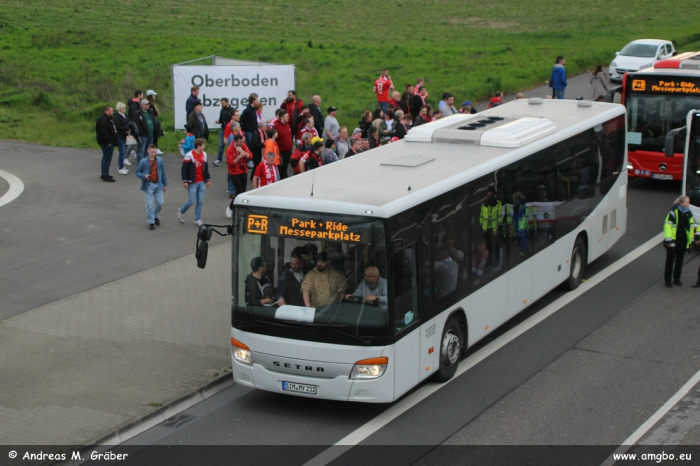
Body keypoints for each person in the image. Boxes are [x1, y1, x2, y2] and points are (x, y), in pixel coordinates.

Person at [663, 196, 697, 287]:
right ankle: (668, 280)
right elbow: (667, 226)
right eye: (687, 202)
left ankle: (677, 279)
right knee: (670, 261)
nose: (688, 204)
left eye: (688, 202)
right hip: (673, 240)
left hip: (683, 240)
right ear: (681, 203)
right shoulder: (673, 212)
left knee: (679, 260)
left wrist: (691, 241)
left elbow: (691, 227)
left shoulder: (688, 213)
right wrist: (669, 240)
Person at [178, 138, 211, 227]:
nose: (204, 146)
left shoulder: (204, 154)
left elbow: (206, 168)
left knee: (200, 201)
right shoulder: (189, 155)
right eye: (203, 145)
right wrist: (185, 180)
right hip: (192, 181)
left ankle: (197, 219)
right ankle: (181, 211)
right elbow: (184, 169)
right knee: (191, 200)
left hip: (201, 181)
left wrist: (208, 179)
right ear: (198, 146)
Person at [136, 144, 168, 230]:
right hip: (149, 184)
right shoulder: (143, 161)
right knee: (149, 205)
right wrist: (144, 176)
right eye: (151, 152)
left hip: (158, 184)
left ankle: (154, 215)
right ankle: (151, 221)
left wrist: (165, 184)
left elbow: (163, 173)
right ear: (148, 151)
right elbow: (137, 172)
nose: (153, 154)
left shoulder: (160, 161)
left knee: (160, 203)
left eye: (154, 152)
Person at [96, 105, 118, 182]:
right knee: (107, 158)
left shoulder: (106, 119)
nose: (112, 112)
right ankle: (105, 175)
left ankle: (104, 174)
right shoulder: (103, 120)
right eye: (111, 111)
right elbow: (104, 132)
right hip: (106, 142)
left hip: (106, 141)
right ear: (107, 111)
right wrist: (108, 142)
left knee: (106, 157)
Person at [133, 99, 155, 163]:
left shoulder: (150, 112)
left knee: (148, 150)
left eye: (148, 104)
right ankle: (140, 164)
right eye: (146, 104)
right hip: (143, 135)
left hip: (150, 134)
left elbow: (153, 120)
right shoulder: (138, 113)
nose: (148, 105)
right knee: (141, 150)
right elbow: (137, 124)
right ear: (142, 105)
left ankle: (146, 163)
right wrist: (141, 133)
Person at [272, 110, 293, 179]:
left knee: (285, 168)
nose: (288, 117)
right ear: (282, 117)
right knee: (280, 168)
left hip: (288, 150)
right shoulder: (276, 126)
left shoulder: (287, 125)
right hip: (281, 152)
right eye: (287, 116)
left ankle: (284, 178)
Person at [214, 97, 234, 166]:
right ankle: (219, 159)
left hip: (230, 130)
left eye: (223, 103)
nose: (221, 104)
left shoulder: (232, 110)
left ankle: (231, 159)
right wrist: (218, 122)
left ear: (227, 102)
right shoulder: (222, 110)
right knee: (221, 145)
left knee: (230, 145)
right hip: (223, 130)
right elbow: (221, 120)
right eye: (221, 103)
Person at [113, 102, 131, 175]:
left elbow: (128, 122)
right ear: (119, 108)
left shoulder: (125, 115)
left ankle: (122, 166)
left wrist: (129, 128)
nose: (125, 109)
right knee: (122, 152)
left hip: (125, 136)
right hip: (120, 136)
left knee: (124, 152)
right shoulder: (116, 117)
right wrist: (126, 129)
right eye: (123, 108)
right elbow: (118, 126)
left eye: (125, 108)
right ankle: (120, 168)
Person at [146, 90, 163, 154]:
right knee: (153, 136)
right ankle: (153, 148)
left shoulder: (153, 104)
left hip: (154, 121)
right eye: (153, 94)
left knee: (155, 136)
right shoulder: (149, 104)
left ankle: (155, 147)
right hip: (152, 122)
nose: (154, 96)